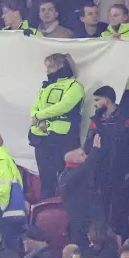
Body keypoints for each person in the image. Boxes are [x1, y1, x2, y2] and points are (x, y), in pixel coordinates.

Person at [29, 53, 84, 195]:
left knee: (64, 177)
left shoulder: (74, 86)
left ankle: (63, 205)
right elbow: (36, 105)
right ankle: (47, 204)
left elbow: (64, 106)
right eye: (47, 67)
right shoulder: (46, 86)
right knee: (46, 178)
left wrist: (39, 116)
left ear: (61, 67)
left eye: (51, 67)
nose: (47, 71)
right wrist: (35, 115)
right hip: (42, 137)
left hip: (63, 138)